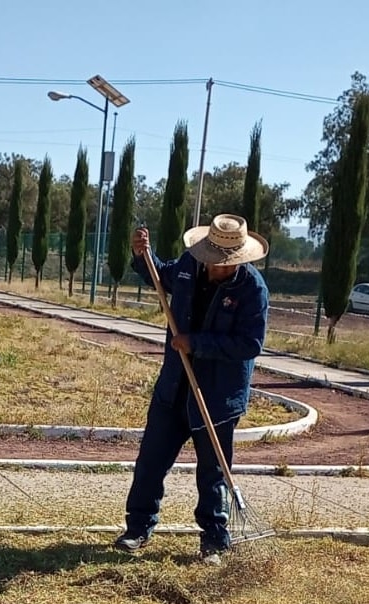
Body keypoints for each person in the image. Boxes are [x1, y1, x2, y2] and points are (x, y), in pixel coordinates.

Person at [114, 214, 269, 564]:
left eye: (223, 264)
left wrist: (195, 343)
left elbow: (250, 344)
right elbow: (162, 276)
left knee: (213, 472)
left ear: (239, 260)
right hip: (174, 387)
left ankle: (214, 538)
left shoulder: (252, 290)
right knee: (150, 462)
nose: (214, 268)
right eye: (211, 260)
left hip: (217, 397)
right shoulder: (189, 263)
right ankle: (137, 529)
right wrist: (143, 257)